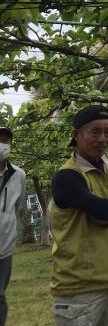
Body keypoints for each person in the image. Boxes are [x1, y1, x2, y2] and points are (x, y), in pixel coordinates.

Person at [50, 105, 108, 326]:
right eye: (95, 131)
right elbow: (102, 208)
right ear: (76, 135)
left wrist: (107, 213)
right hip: (80, 287)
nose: (102, 138)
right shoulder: (67, 176)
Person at [0, 126, 25, 326]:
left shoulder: (19, 175)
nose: (3, 144)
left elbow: (18, 207)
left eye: (6, 140)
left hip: (4, 248)